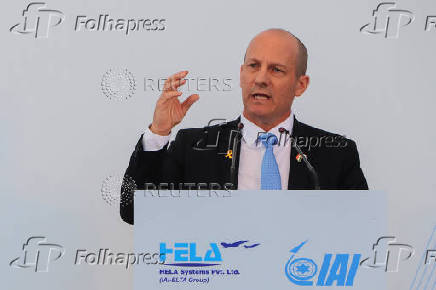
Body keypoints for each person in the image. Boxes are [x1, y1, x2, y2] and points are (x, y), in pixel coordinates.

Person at [120, 28, 368, 225]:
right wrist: (158, 133)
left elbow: (360, 231)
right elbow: (133, 211)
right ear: (241, 75)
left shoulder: (335, 153)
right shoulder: (194, 147)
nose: (260, 78)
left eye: (276, 70)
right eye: (253, 66)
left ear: (300, 85)